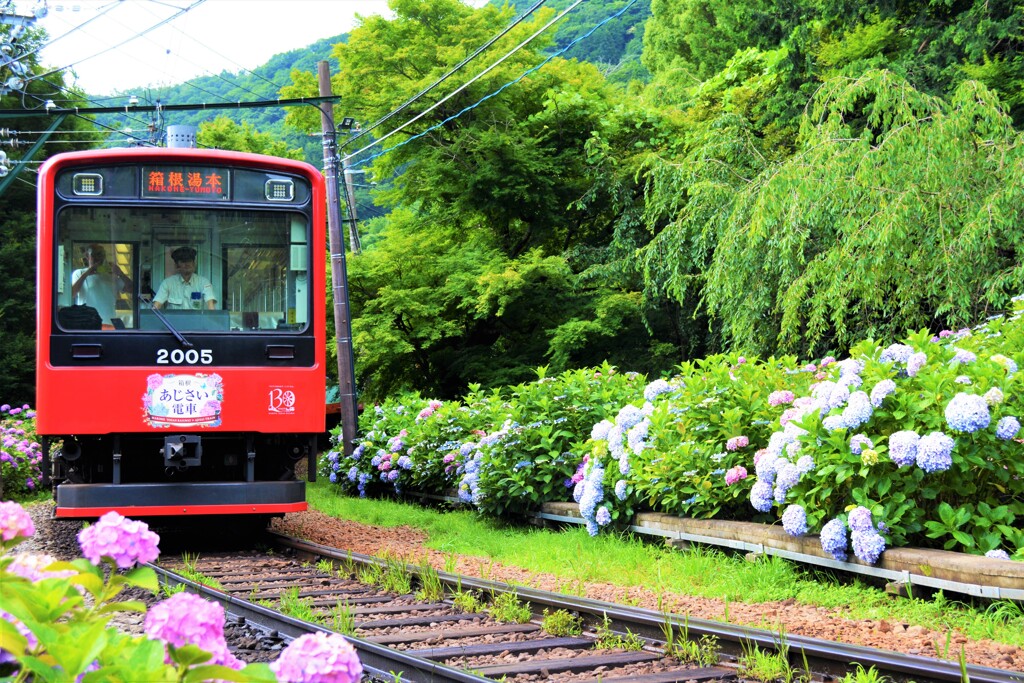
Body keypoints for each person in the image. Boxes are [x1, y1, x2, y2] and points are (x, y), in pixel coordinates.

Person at [70, 244, 131, 325]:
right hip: (86, 324)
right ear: (87, 256)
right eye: (94, 255)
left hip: (108, 323)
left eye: (101, 255)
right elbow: (72, 293)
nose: (98, 258)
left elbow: (132, 289)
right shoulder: (79, 273)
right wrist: (87, 273)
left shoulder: (111, 276)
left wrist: (121, 273)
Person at [153, 246, 218, 310]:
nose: (187, 264)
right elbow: (156, 306)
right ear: (177, 265)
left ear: (194, 263)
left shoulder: (204, 282)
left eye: (189, 260)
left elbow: (211, 306)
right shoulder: (167, 283)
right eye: (183, 261)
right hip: (173, 321)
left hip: (197, 320)